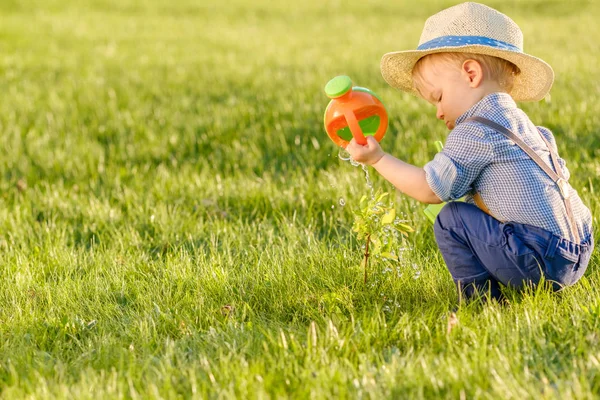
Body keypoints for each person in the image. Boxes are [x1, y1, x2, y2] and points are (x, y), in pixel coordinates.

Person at [346, 2, 594, 302]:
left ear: (471, 74)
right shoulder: (524, 125)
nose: (438, 112)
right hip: (580, 248)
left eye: (438, 97)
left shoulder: (475, 129)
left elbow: (429, 189)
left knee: (451, 219)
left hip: (538, 258)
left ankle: (481, 301)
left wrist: (378, 159)